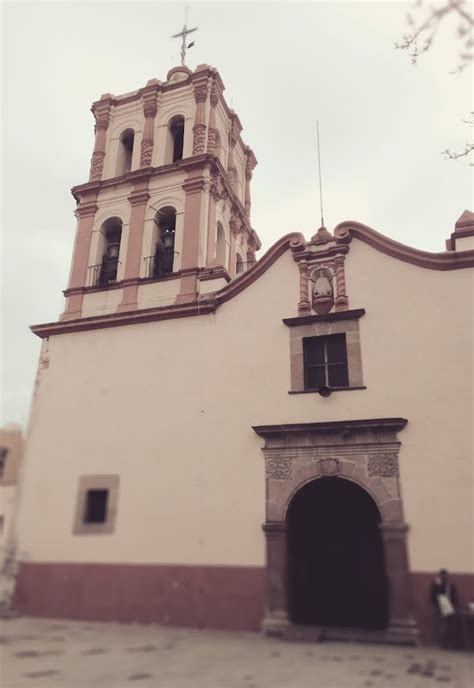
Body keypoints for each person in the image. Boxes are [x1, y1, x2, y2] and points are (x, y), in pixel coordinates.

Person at [430, 569, 458, 648]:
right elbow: (433, 597)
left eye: (446, 576)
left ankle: (449, 643)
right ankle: (443, 643)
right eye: (443, 576)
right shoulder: (436, 585)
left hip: (449, 607)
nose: (445, 578)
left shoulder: (450, 585)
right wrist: (438, 604)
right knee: (443, 625)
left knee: (450, 626)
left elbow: (454, 597)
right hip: (440, 607)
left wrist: (454, 605)